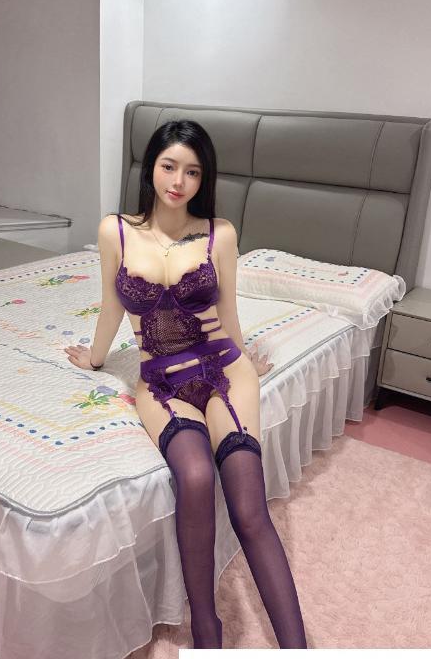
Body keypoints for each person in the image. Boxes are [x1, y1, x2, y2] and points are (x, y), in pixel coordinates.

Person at [64, 119, 307, 650]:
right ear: (150, 167)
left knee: (248, 507)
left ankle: (298, 648)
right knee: (195, 477)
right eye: (169, 166)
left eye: (193, 171)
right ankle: (206, 631)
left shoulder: (220, 233)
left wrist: (248, 358)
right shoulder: (115, 231)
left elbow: (228, 311)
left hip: (224, 371)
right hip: (161, 381)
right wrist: (96, 357)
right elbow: (110, 306)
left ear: (204, 178)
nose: (179, 181)